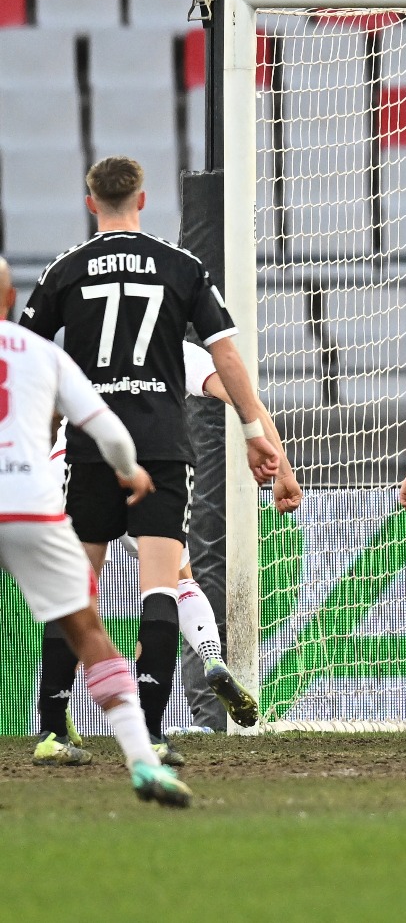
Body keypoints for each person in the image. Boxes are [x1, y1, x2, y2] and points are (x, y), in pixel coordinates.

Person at [40, 341, 301, 757]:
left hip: (72, 470)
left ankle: (55, 717)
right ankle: (204, 667)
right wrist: (281, 467)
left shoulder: (87, 335)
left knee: (77, 595)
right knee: (171, 584)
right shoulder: (176, 348)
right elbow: (241, 397)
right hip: (150, 471)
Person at [0, 257, 191, 805]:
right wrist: (130, 470)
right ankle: (143, 762)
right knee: (88, 632)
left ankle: (56, 729)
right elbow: (106, 427)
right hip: (34, 510)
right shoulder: (44, 354)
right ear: (10, 299)